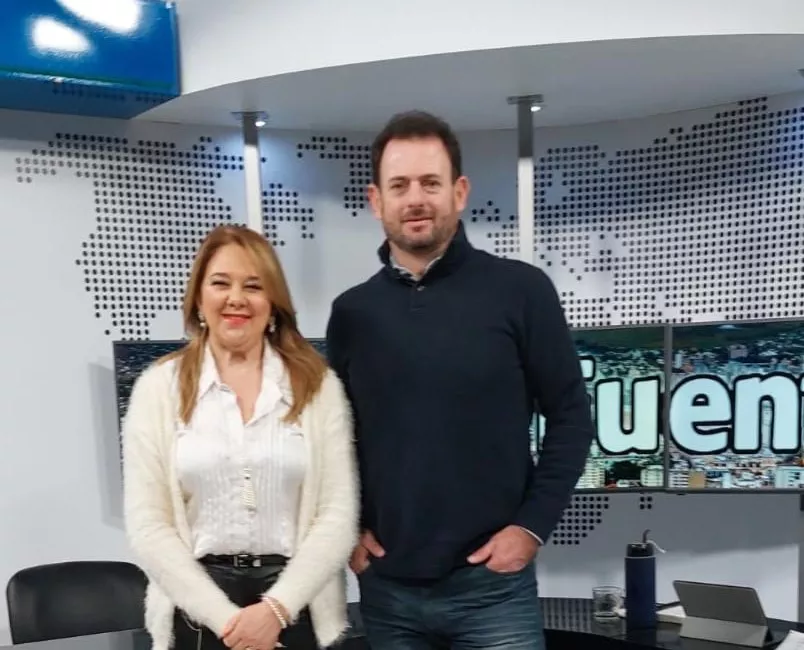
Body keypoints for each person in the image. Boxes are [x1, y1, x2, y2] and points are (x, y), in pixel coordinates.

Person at [325, 111, 594, 649]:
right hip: (388, 592)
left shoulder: (521, 291)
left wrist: (531, 528)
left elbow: (570, 418)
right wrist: (348, 532)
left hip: (493, 591)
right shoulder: (351, 313)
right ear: (376, 200)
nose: (416, 199)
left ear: (460, 191)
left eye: (431, 183)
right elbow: (334, 441)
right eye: (399, 185)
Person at [123, 224, 358, 650]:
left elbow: (337, 515)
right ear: (199, 298)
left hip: (294, 608)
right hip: (198, 616)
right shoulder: (157, 389)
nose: (236, 298)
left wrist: (275, 612)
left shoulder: (318, 387)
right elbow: (149, 526)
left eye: (253, 286)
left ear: (273, 303)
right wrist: (229, 623)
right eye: (220, 283)